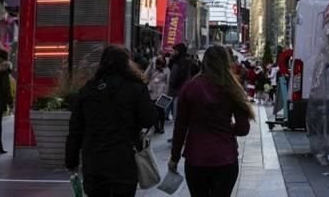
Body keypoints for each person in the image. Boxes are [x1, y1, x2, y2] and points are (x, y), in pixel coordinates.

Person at [65, 45, 159, 197]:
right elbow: (148, 120)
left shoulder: (87, 90)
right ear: (126, 64)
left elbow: (75, 130)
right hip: (123, 161)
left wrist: (71, 161)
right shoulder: (136, 88)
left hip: (94, 162)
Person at [169, 45, 254, 197]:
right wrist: (227, 128)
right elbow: (243, 129)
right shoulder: (232, 88)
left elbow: (180, 127)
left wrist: (174, 158)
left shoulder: (190, 87)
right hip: (225, 158)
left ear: (204, 62)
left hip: (196, 158)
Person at [147, 57, 169, 134]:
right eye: (158, 64)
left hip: (162, 93)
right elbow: (145, 76)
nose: (159, 66)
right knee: (153, 111)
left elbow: (168, 82)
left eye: (161, 64)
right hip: (152, 93)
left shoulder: (166, 70)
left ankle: (162, 127)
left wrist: (166, 94)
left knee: (161, 111)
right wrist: (150, 66)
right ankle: (156, 127)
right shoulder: (152, 69)